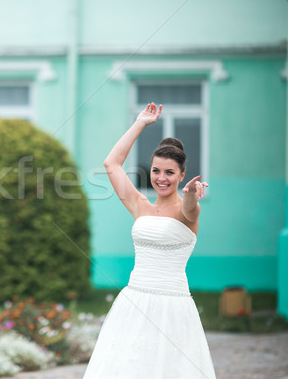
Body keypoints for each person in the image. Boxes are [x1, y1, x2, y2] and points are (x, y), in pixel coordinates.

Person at [83, 102, 216, 378]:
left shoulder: (187, 210)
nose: (161, 178)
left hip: (173, 307)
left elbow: (191, 207)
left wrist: (191, 193)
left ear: (181, 175)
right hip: (134, 302)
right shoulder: (139, 204)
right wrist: (141, 123)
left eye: (169, 172)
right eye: (156, 170)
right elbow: (111, 164)